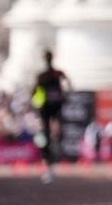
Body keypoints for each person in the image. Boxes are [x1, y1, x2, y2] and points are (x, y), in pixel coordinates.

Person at [32, 50, 71, 183]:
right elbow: (68, 84)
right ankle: (50, 160)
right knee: (49, 134)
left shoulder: (47, 75)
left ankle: (51, 158)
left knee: (50, 133)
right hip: (49, 108)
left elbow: (34, 91)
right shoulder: (49, 75)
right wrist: (64, 95)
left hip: (49, 108)